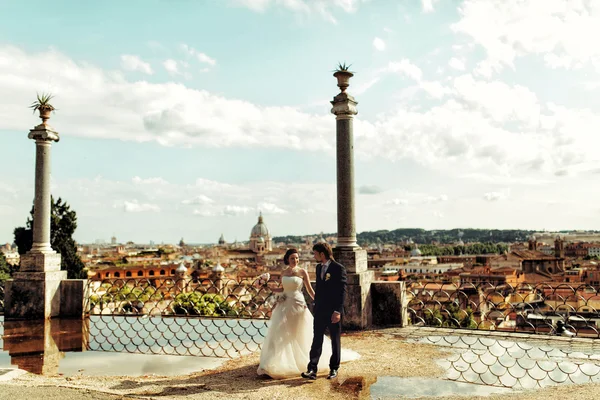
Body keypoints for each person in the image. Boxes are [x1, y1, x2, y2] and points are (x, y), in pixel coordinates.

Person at [256, 247, 358, 379]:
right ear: (287, 259)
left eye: (297, 258)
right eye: (293, 258)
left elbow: (312, 290)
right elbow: (282, 288)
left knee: (312, 334)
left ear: (322, 254)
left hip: (299, 304)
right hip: (285, 304)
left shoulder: (306, 271)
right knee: (287, 333)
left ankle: (333, 368)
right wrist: (268, 286)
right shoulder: (300, 270)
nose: (296, 260)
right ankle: (309, 368)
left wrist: (331, 307)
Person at [301, 242, 347, 380]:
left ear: (322, 254)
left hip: (333, 311)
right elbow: (319, 289)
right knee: (317, 339)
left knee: (335, 340)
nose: (314, 256)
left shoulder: (338, 268)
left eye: (315, 253)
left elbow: (342, 291)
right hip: (320, 310)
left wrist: (338, 311)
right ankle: (312, 369)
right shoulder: (318, 267)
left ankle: (334, 368)